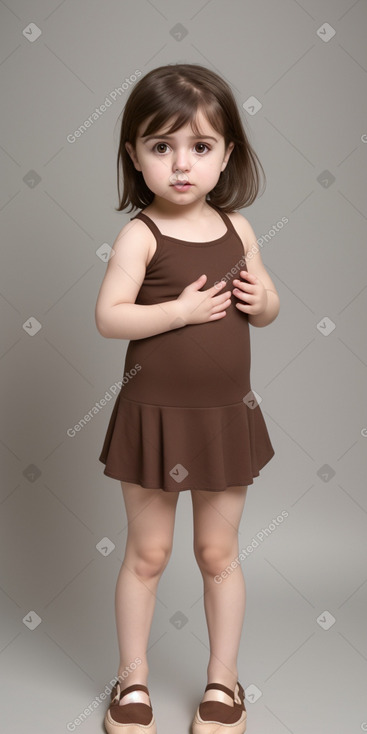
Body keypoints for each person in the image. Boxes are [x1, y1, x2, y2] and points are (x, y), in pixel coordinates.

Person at [95, 62, 280, 734]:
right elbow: (110, 316)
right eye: (160, 146)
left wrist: (265, 303)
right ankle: (133, 678)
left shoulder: (239, 228)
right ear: (133, 156)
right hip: (154, 419)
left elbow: (265, 307)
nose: (180, 165)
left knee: (217, 554)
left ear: (226, 153)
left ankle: (222, 681)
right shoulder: (140, 235)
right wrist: (174, 311)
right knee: (147, 554)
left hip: (224, 419)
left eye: (199, 147)